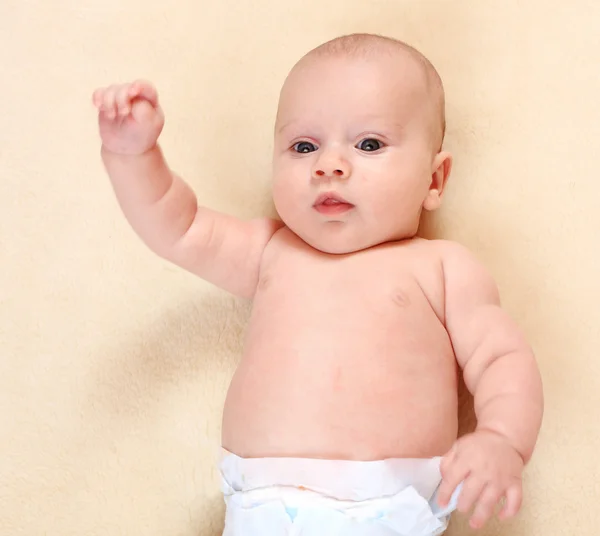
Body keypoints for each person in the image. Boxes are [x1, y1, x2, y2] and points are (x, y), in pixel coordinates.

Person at [92, 33, 543, 535]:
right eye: (303, 146)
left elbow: (503, 359)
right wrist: (135, 156)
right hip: (262, 507)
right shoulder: (271, 252)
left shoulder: (442, 268)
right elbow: (179, 227)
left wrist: (503, 438)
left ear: (434, 181)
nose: (329, 165)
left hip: (391, 508)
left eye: (369, 143)